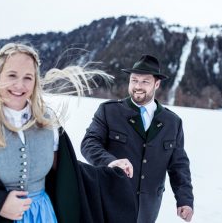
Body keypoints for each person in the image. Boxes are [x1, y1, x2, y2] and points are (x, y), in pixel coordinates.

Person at [0, 43, 137, 223]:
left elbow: (70, 172)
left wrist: (109, 168)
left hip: (44, 217)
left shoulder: (48, 124)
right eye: (12, 75)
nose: (20, 85)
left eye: (28, 77)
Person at [81, 54, 194, 223]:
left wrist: (185, 199)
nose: (137, 86)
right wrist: (110, 161)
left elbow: (179, 165)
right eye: (134, 80)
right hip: (110, 201)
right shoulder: (109, 112)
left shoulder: (173, 122)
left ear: (156, 84)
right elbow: (89, 144)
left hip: (147, 210)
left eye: (145, 81)